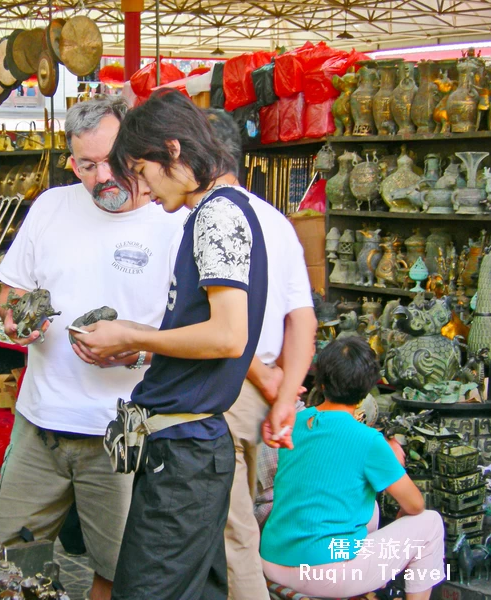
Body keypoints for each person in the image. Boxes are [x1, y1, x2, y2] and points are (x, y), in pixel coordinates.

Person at [0, 96, 186, 600]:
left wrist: (138, 351)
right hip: (40, 424)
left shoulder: (174, 223)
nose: (102, 176)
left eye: (113, 159)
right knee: (5, 556)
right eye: (86, 164)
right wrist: (13, 316)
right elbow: (8, 287)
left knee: (120, 569)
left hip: (120, 429)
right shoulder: (52, 206)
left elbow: (199, 337)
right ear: (72, 162)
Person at [75, 88, 268, 600]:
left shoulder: (218, 215)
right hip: (187, 449)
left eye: (141, 169)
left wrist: (133, 333)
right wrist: (143, 346)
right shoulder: (215, 213)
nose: (140, 187)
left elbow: (229, 335)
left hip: (185, 455)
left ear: (174, 151)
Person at [205, 108, 317, 600]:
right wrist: (285, 394)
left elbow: (213, 327)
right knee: (238, 524)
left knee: (231, 538)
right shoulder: (274, 220)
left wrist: (268, 381)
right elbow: (303, 321)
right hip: (259, 396)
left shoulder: (202, 220)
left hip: (223, 387)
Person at [260, 337, 445, 600]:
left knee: (370, 509)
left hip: (272, 560)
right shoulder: (369, 441)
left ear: (321, 382)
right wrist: (395, 466)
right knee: (430, 524)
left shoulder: (295, 421)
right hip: (324, 574)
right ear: (367, 390)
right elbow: (415, 506)